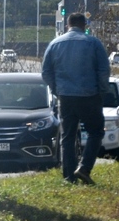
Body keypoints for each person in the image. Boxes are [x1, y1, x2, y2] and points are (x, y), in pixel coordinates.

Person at [40, 12, 110, 185]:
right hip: (89, 96)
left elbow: (46, 73)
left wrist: (57, 90)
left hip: (66, 97)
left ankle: (68, 177)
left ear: (67, 25)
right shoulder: (93, 43)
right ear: (84, 25)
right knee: (96, 132)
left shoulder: (55, 44)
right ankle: (85, 167)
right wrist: (101, 92)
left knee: (68, 136)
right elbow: (103, 71)